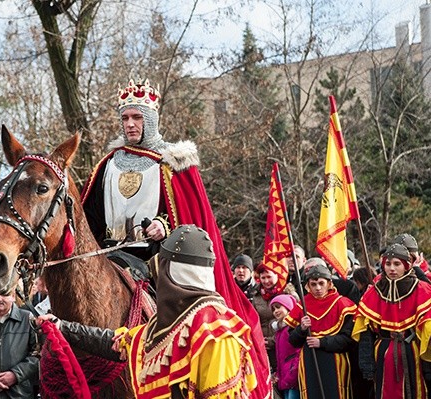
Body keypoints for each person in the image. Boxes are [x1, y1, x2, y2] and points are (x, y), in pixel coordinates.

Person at [81, 78, 270, 397]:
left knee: (181, 315)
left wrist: (163, 227)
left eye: (137, 117)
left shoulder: (172, 164)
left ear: (150, 119)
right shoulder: (106, 166)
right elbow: (90, 223)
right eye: (125, 117)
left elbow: (193, 224)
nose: (130, 124)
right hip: (110, 260)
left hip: (158, 263)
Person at [38, 225, 258, 398]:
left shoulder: (214, 330)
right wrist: (62, 327)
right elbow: (117, 343)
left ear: (172, 274)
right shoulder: (167, 323)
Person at [352, 243, 431, 399]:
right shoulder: (374, 292)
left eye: (397, 264)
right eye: (388, 264)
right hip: (383, 352)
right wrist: (366, 364)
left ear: (407, 265)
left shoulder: (422, 289)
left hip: (412, 352)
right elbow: (366, 334)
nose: (392, 268)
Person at [286, 264, 357, 399]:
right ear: (308, 286)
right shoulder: (302, 306)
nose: (318, 288)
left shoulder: (342, 304)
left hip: (334, 360)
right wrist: (301, 329)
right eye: (313, 284)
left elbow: (349, 339)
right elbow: (292, 341)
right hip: (309, 360)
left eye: (321, 283)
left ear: (329, 283)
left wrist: (322, 342)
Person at [270, 294, 300, 399]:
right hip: (285, 376)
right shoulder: (279, 331)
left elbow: (298, 352)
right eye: (273, 309)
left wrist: (294, 370)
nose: (275, 311)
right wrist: (278, 373)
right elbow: (280, 357)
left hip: (293, 374)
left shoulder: (292, 328)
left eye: (278, 307)